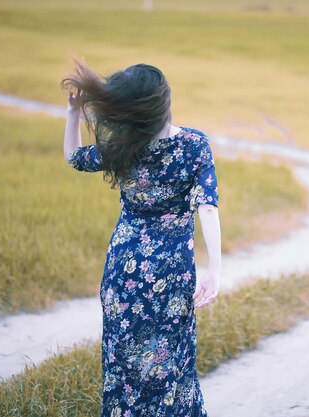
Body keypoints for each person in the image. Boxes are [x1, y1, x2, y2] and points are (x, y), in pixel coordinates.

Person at [60, 59, 221, 417]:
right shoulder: (195, 145)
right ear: (164, 102)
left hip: (124, 270)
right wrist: (215, 270)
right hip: (171, 272)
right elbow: (207, 208)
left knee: (123, 365)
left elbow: (74, 157)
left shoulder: (124, 147)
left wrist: (73, 114)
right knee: (172, 361)